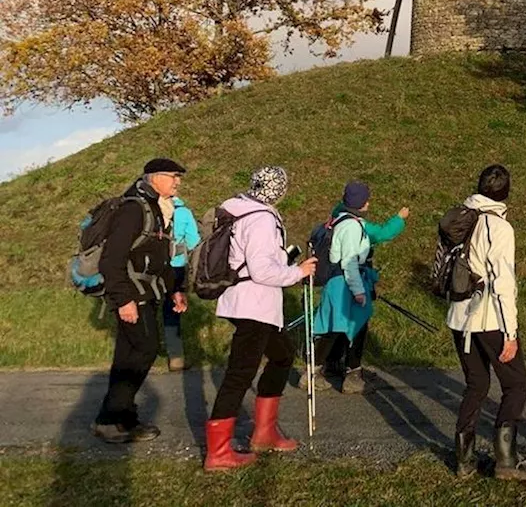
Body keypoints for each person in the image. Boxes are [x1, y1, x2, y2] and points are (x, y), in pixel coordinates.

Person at [204, 166, 317, 471]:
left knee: (282, 355)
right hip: (254, 305)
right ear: (277, 190)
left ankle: (265, 432)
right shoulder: (262, 219)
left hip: (249, 303)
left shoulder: (239, 210)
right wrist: (298, 272)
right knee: (240, 373)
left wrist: (287, 259)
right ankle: (218, 452)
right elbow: (262, 270)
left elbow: (259, 260)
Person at [446, 164, 526, 482]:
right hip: (488, 318)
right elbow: (503, 284)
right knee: (516, 384)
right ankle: (506, 460)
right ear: (506, 193)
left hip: (458, 316)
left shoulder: (460, 218)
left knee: (477, 385)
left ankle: (464, 460)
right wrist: (510, 333)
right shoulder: (499, 228)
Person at [90, 157, 187, 444]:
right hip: (133, 296)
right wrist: (123, 300)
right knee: (143, 350)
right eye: (173, 176)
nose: (178, 182)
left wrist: (175, 290)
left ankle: (117, 420)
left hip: (147, 293)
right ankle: (113, 418)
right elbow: (111, 260)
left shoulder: (156, 208)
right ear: (153, 177)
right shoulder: (133, 209)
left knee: (127, 357)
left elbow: (160, 259)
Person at [310, 180, 408, 393]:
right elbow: (349, 262)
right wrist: (359, 291)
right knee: (357, 327)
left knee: (333, 329)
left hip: (335, 283)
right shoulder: (354, 227)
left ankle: (318, 369)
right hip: (348, 284)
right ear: (361, 204)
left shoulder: (339, 220)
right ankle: (353, 376)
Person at [163, 192, 200, 371]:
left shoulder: (148, 211)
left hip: (150, 269)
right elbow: (194, 242)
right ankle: (176, 357)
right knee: (172, 311)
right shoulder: (184, 212)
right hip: (176, 268)